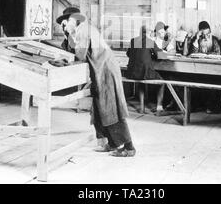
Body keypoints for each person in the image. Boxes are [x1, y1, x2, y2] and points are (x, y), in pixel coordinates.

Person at [60, 10, 136, 157]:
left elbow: (79, 56)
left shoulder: (83, 30)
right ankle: (112, 143)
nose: (65, 25)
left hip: (105, 70)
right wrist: (68, 34)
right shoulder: (85, 28)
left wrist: (69, 35)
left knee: (111, 108)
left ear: (75, 20)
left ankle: (129, 147)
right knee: (100, 107)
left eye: (66, 21)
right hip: (101, 70)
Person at [126, 25, 166, 115]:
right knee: (162, 82)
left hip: (132, 73)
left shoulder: (133, 40)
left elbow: (128, 54)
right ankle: (159, 107)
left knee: (141, 81)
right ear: (149, 32)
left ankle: (142, 108)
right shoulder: (149, 41)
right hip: (143, 73)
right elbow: (161, 55)